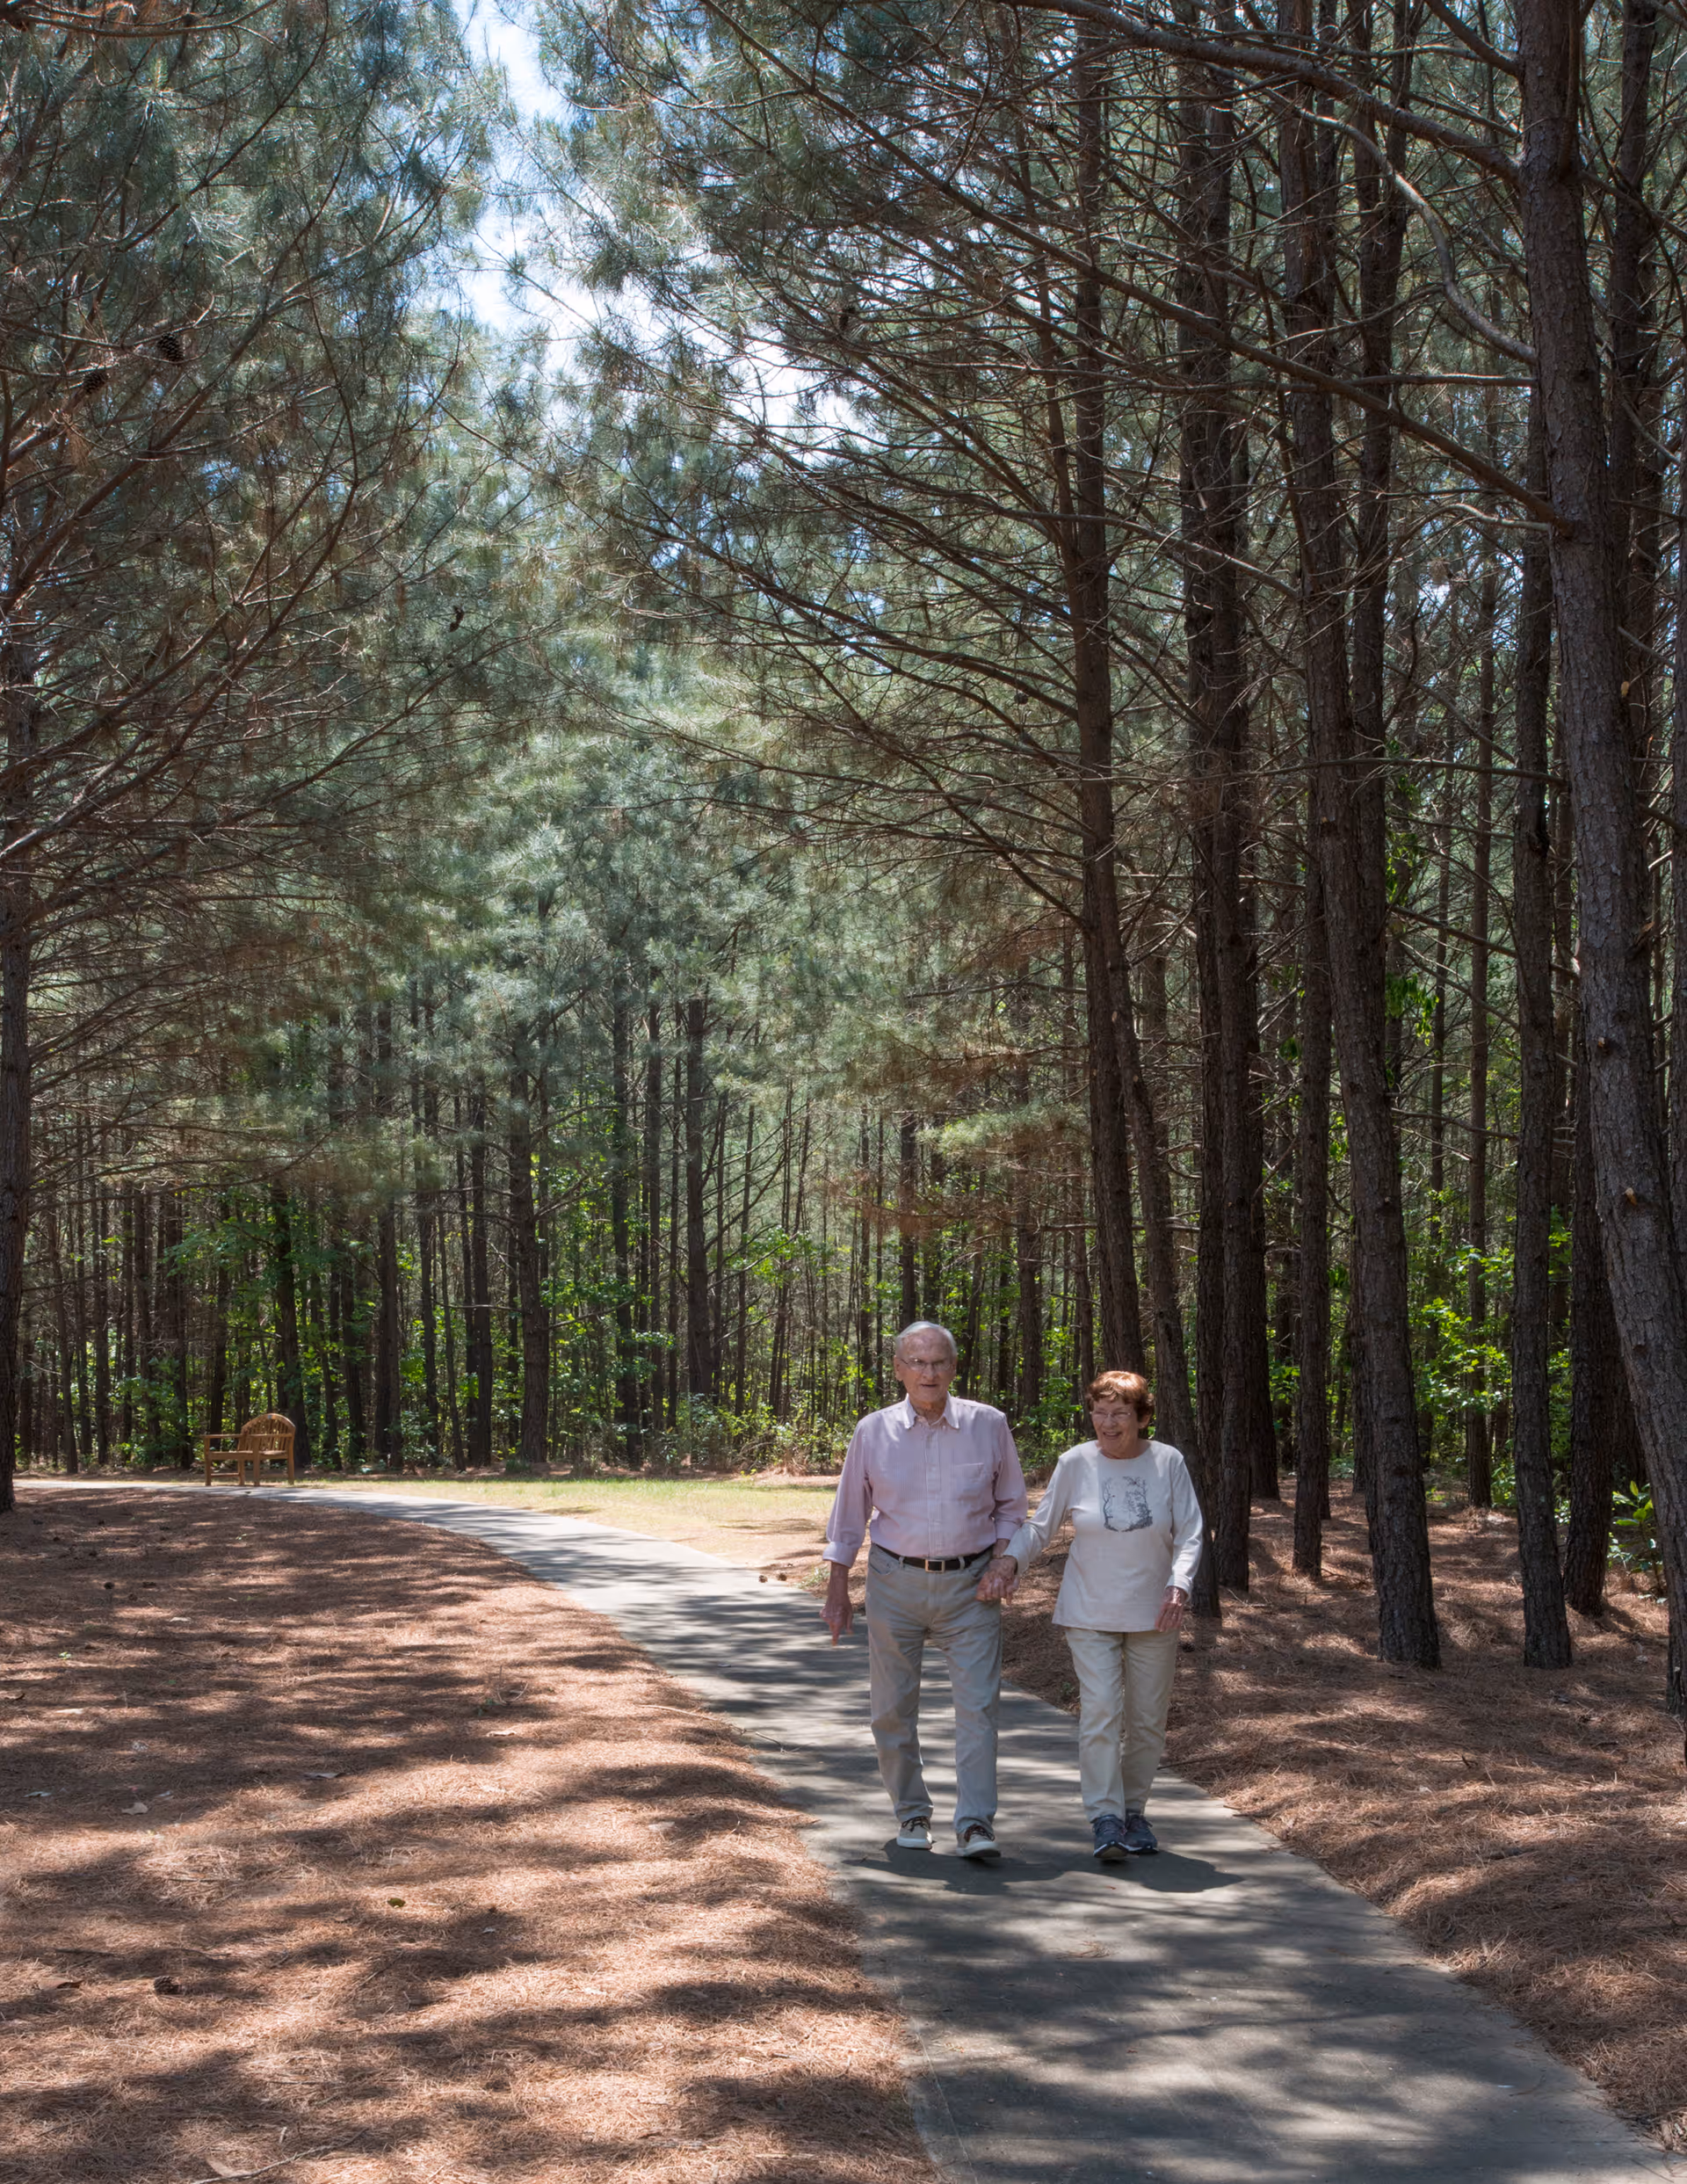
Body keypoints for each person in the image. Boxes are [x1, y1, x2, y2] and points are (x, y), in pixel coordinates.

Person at [821, 1321, 1028, 1860]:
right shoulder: (873, 1431)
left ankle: (976, 1824)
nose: (928, 1373)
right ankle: (912, 1812)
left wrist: (1005, 1562)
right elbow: (849, 1516)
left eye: (938, 1362)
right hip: (895, 1581)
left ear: (954, 1368)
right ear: (898, 1369)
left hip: (972, 1585)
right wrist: (838, 1586)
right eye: (917, 1362)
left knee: (979, 1710)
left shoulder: (989, 1425)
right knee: (890, 1710)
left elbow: (1012, 1507)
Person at [979, 1368, 1202, 1863]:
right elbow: (1041, 1526)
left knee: (1147, 1719)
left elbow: (1190, 1531)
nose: (1107, 1423)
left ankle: (1134, 1812)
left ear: (1143, 1417)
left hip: (1155, 1612)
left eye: (1120, 1413)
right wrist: (1009, 1561)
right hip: (1088, 1609)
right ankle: (1105, 1816)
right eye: (1099, 1413)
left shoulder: (1168, 1462)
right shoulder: (1075, 1462)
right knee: (1102, 1709)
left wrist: (1179, 1584)